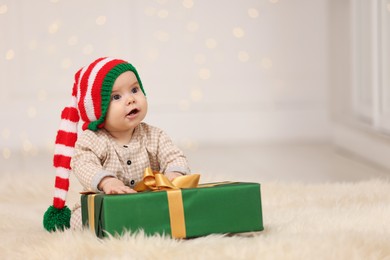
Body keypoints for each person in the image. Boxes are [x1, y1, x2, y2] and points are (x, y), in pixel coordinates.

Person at [43, 57, 190, 231]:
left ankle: (143, 225)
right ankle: (111, 229)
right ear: (98, 110)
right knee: (81, 219)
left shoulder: (154, 135)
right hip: (106, 205)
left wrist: (174, 172)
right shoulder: (92, 140)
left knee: (179, 208)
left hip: (149, 201)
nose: (131, 100)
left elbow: (173, 154)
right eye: (117, 97)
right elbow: (83, 164)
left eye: (135, 89)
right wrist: (107, 182)